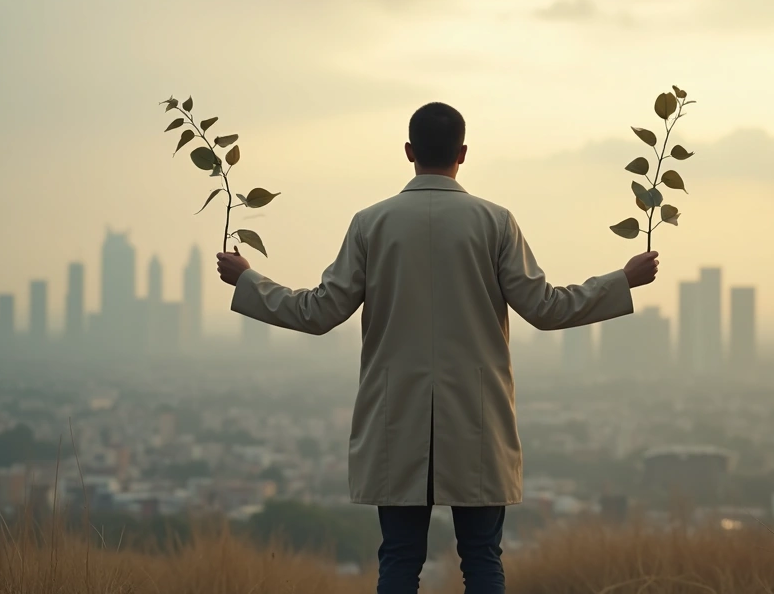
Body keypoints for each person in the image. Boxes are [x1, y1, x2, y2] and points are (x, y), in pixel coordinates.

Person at [216, 102, 659, 594]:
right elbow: (547, 308)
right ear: (462, 153)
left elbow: (318, 312)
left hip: (397, 417)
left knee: (400, 562)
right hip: (476, 417)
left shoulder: (371, 224)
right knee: (483, 561)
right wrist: (623, 281)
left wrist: (248, 281)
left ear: (408, 151)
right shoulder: (495, 222)